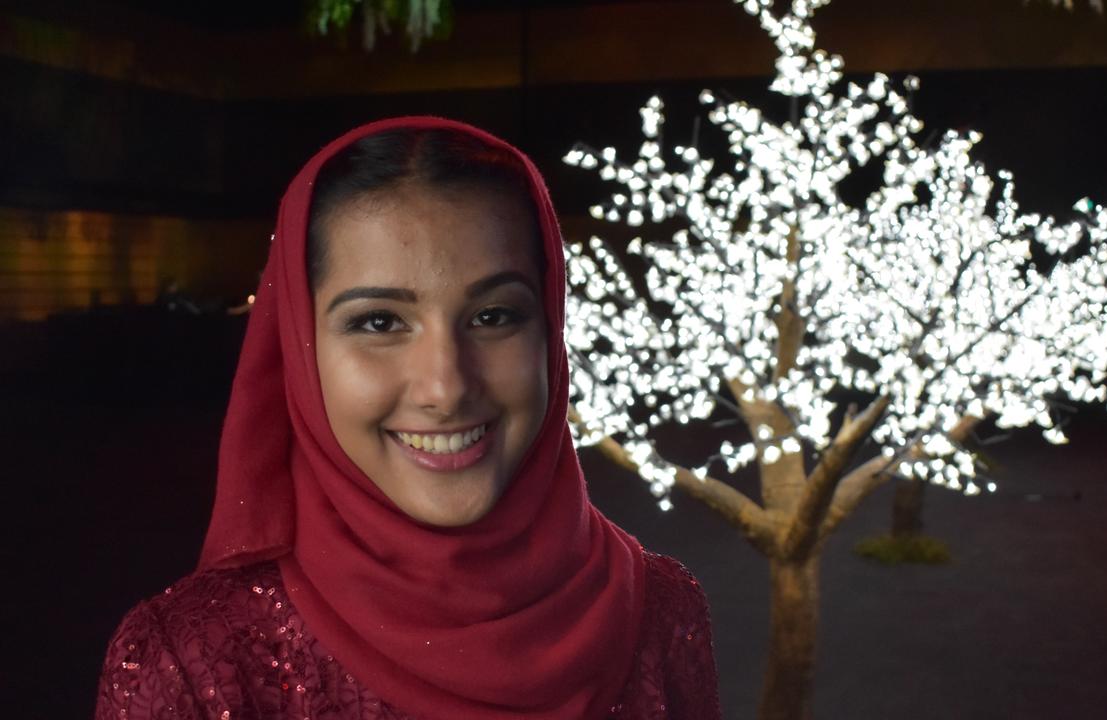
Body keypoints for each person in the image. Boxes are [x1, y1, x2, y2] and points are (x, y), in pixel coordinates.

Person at [95, 117, 721, 719]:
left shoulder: (661, 613)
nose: (445, 388)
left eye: (494, 316)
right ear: (300, 351)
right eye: (380, 322)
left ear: (551, 334)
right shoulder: (196, 664)